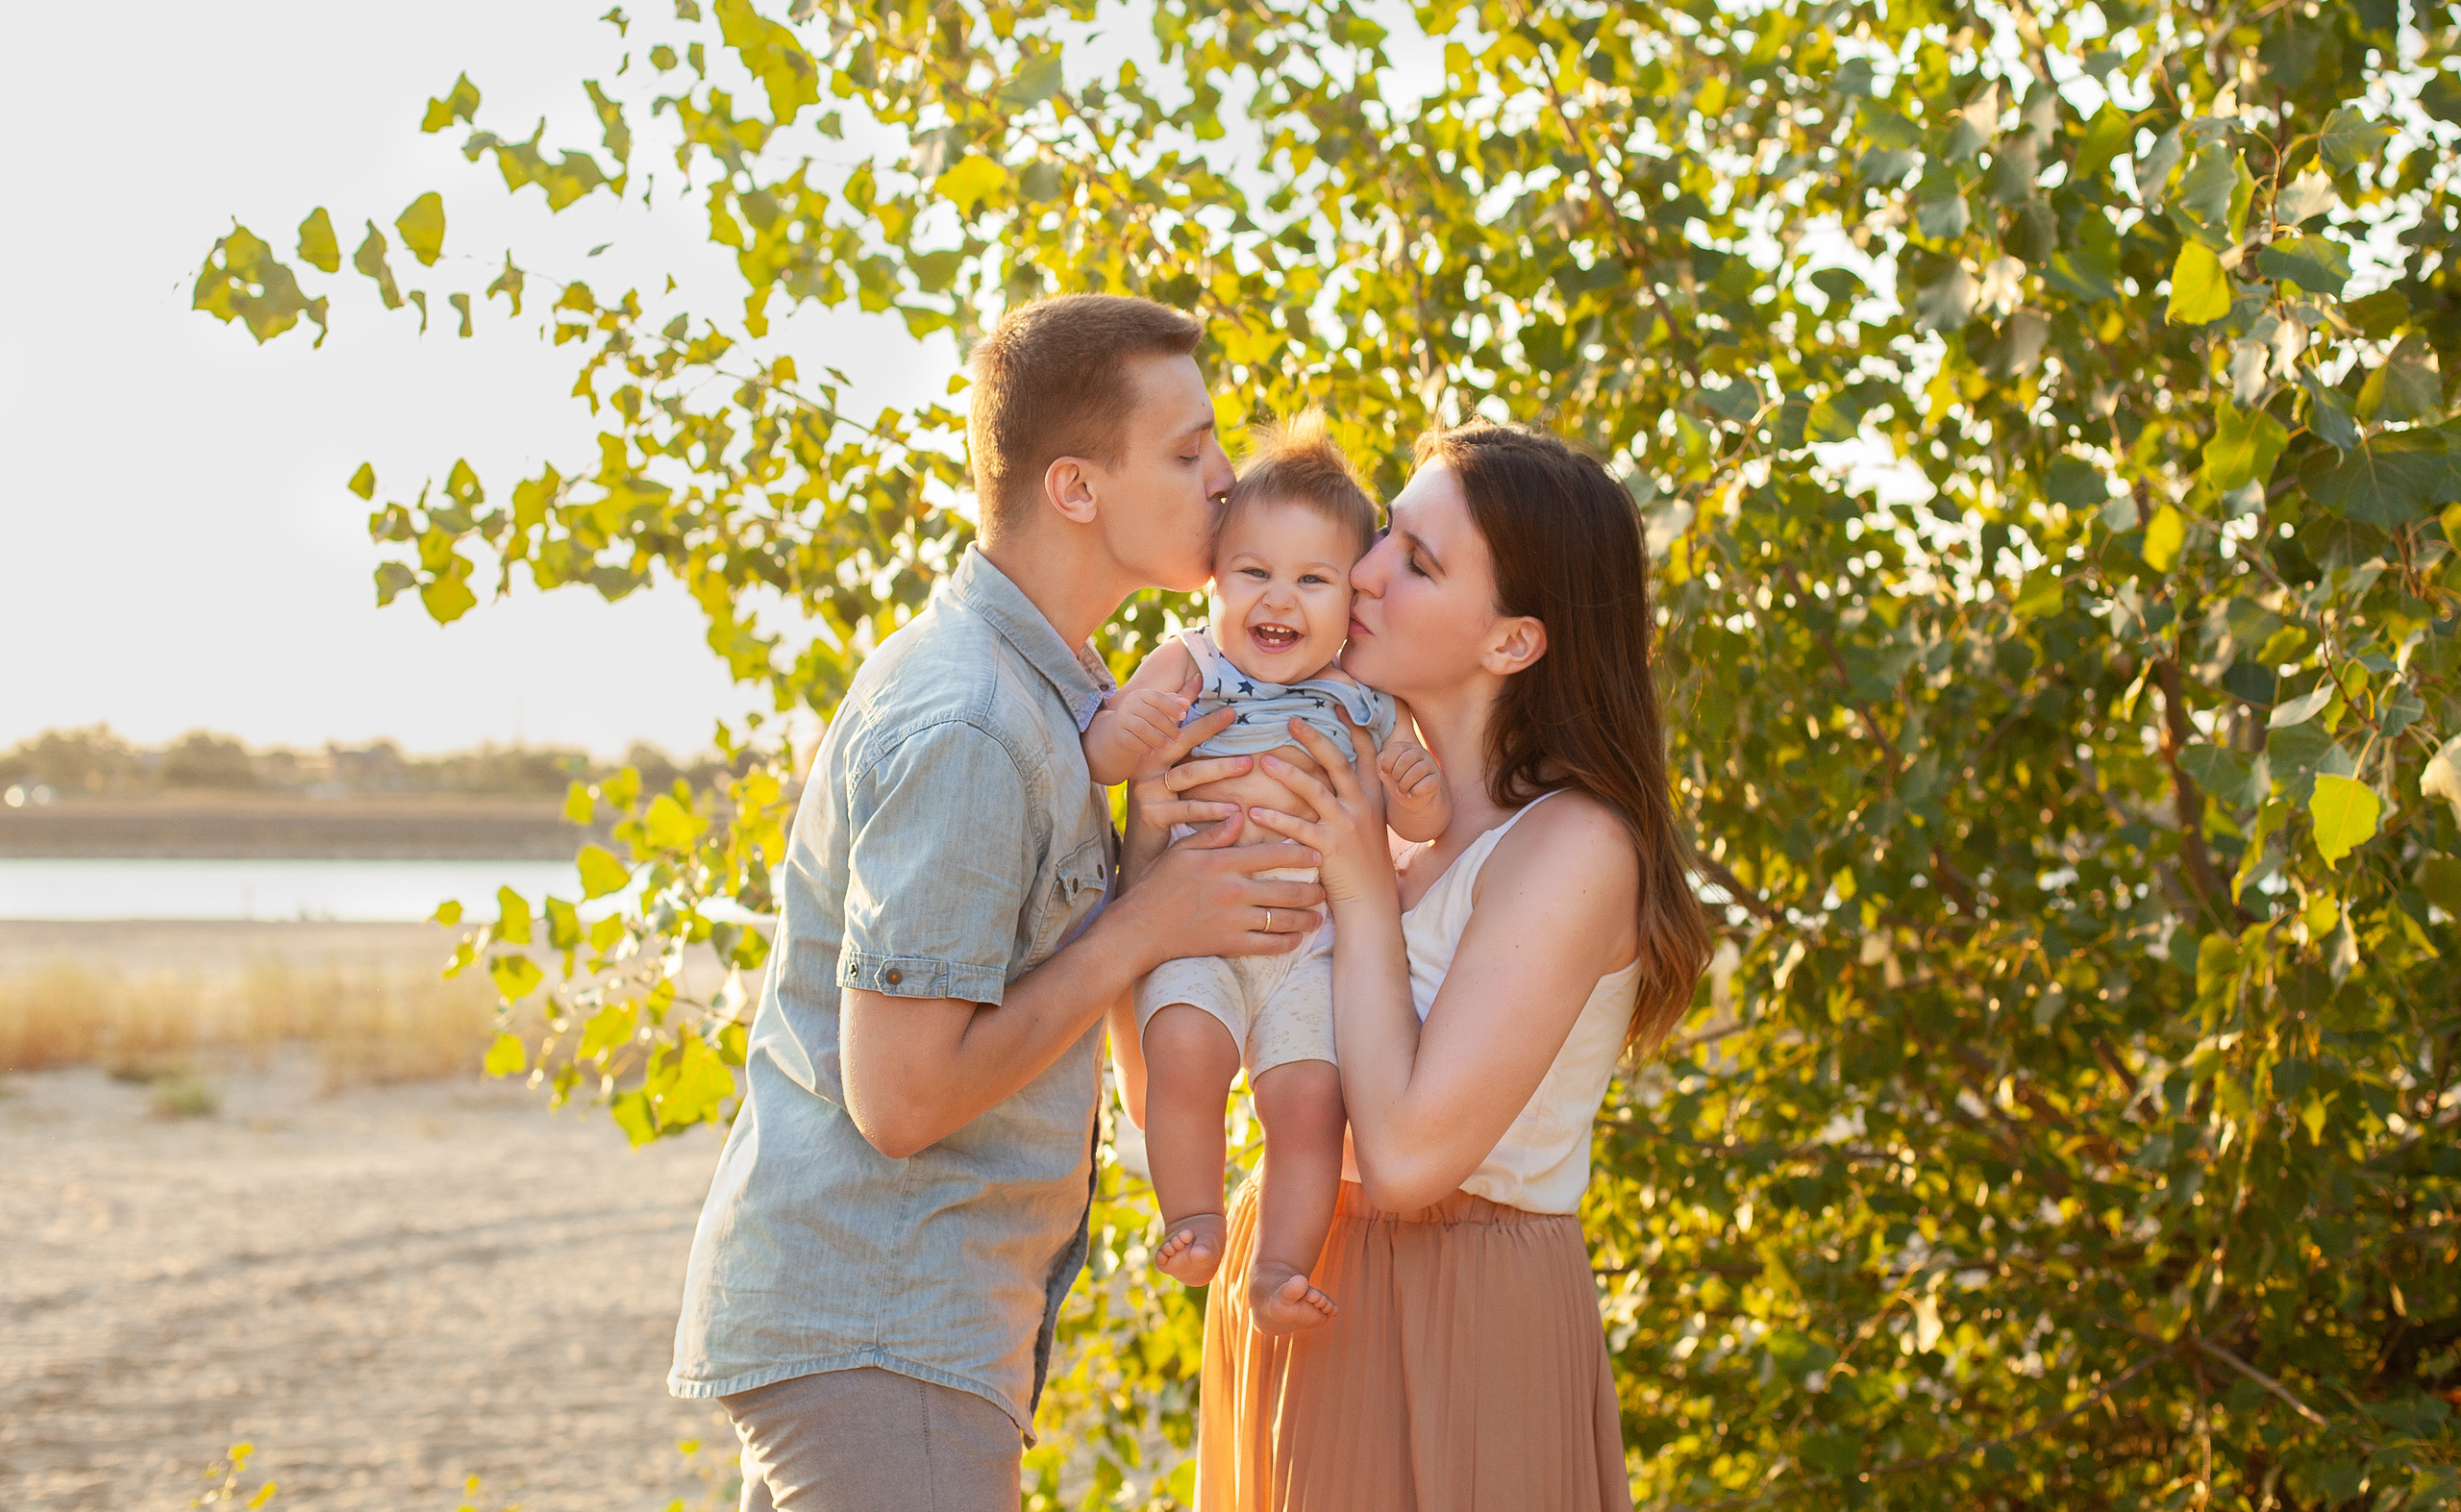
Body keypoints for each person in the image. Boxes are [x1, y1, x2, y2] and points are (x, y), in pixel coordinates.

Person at [667, 293, 1330, 1512]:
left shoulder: (1064, 697)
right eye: (1187, 450)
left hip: (895, 1330)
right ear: (1075, 487)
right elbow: (902, 1097)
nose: (1225, 478)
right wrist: (1147, 922)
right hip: (883, 1330)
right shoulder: (975, 722)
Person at [1187, 424, 1714, 1511]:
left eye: (1418, 563)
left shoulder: (1572, 846)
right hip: (1290, 1288)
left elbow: (1408, 1157)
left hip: (1460, 1312)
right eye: (1384, 533)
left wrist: (1358, 885)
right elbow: (1175, 1069)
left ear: (1512, 642)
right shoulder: (1362, 810)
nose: (1363, 572)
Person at [1084, 412, 1450, 1335]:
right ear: (1213, 576)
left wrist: (1416, 791)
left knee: (1312, 1108)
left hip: (1307, 949)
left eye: (1312, 580)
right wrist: (1125, 731)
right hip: (1197, 934)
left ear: (1350, 601)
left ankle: (1279, 1268)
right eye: (1253, 572)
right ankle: (1194, 1215)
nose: (1278, 598)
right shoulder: (1191, 663)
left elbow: (1418, 818)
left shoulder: (1365, 698)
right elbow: (1106, 751)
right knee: (1184, 1059)